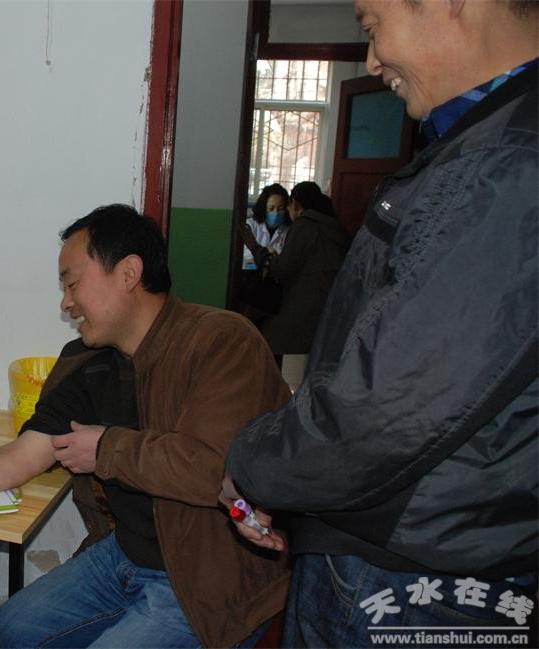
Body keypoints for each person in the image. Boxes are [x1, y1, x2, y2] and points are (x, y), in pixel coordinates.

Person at [222, 1, 538, 647]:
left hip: (411, 565)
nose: (371, 61)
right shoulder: (483, 142)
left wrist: (254, 465)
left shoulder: (505, 164)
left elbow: (387, 407)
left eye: (371, 26)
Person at [0, 205, 291, 648]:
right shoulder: (87, 361)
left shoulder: (222, 341)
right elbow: (16, 460)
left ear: (128, 273)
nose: (65, 303)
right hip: (128, 553)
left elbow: (214, 469)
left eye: (72, 283)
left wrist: (106, 449)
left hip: (209, 574)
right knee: (15, 626)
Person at [259, 181, 349, 361]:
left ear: (295, 204)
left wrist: (263, 255)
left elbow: (282, 269)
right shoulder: (334, 226)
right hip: (333, 305)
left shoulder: (305, 226)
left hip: (305, 304)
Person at [239, 183, 291, 323]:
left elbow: (284, 261)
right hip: (249, 281)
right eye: (271, 208)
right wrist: (267, 254)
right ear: (264, 208)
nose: (276, 213)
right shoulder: (251, 225)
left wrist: (265, 257)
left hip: (273, 286)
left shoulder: (288, 231)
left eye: (280, 209)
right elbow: (244, 256)